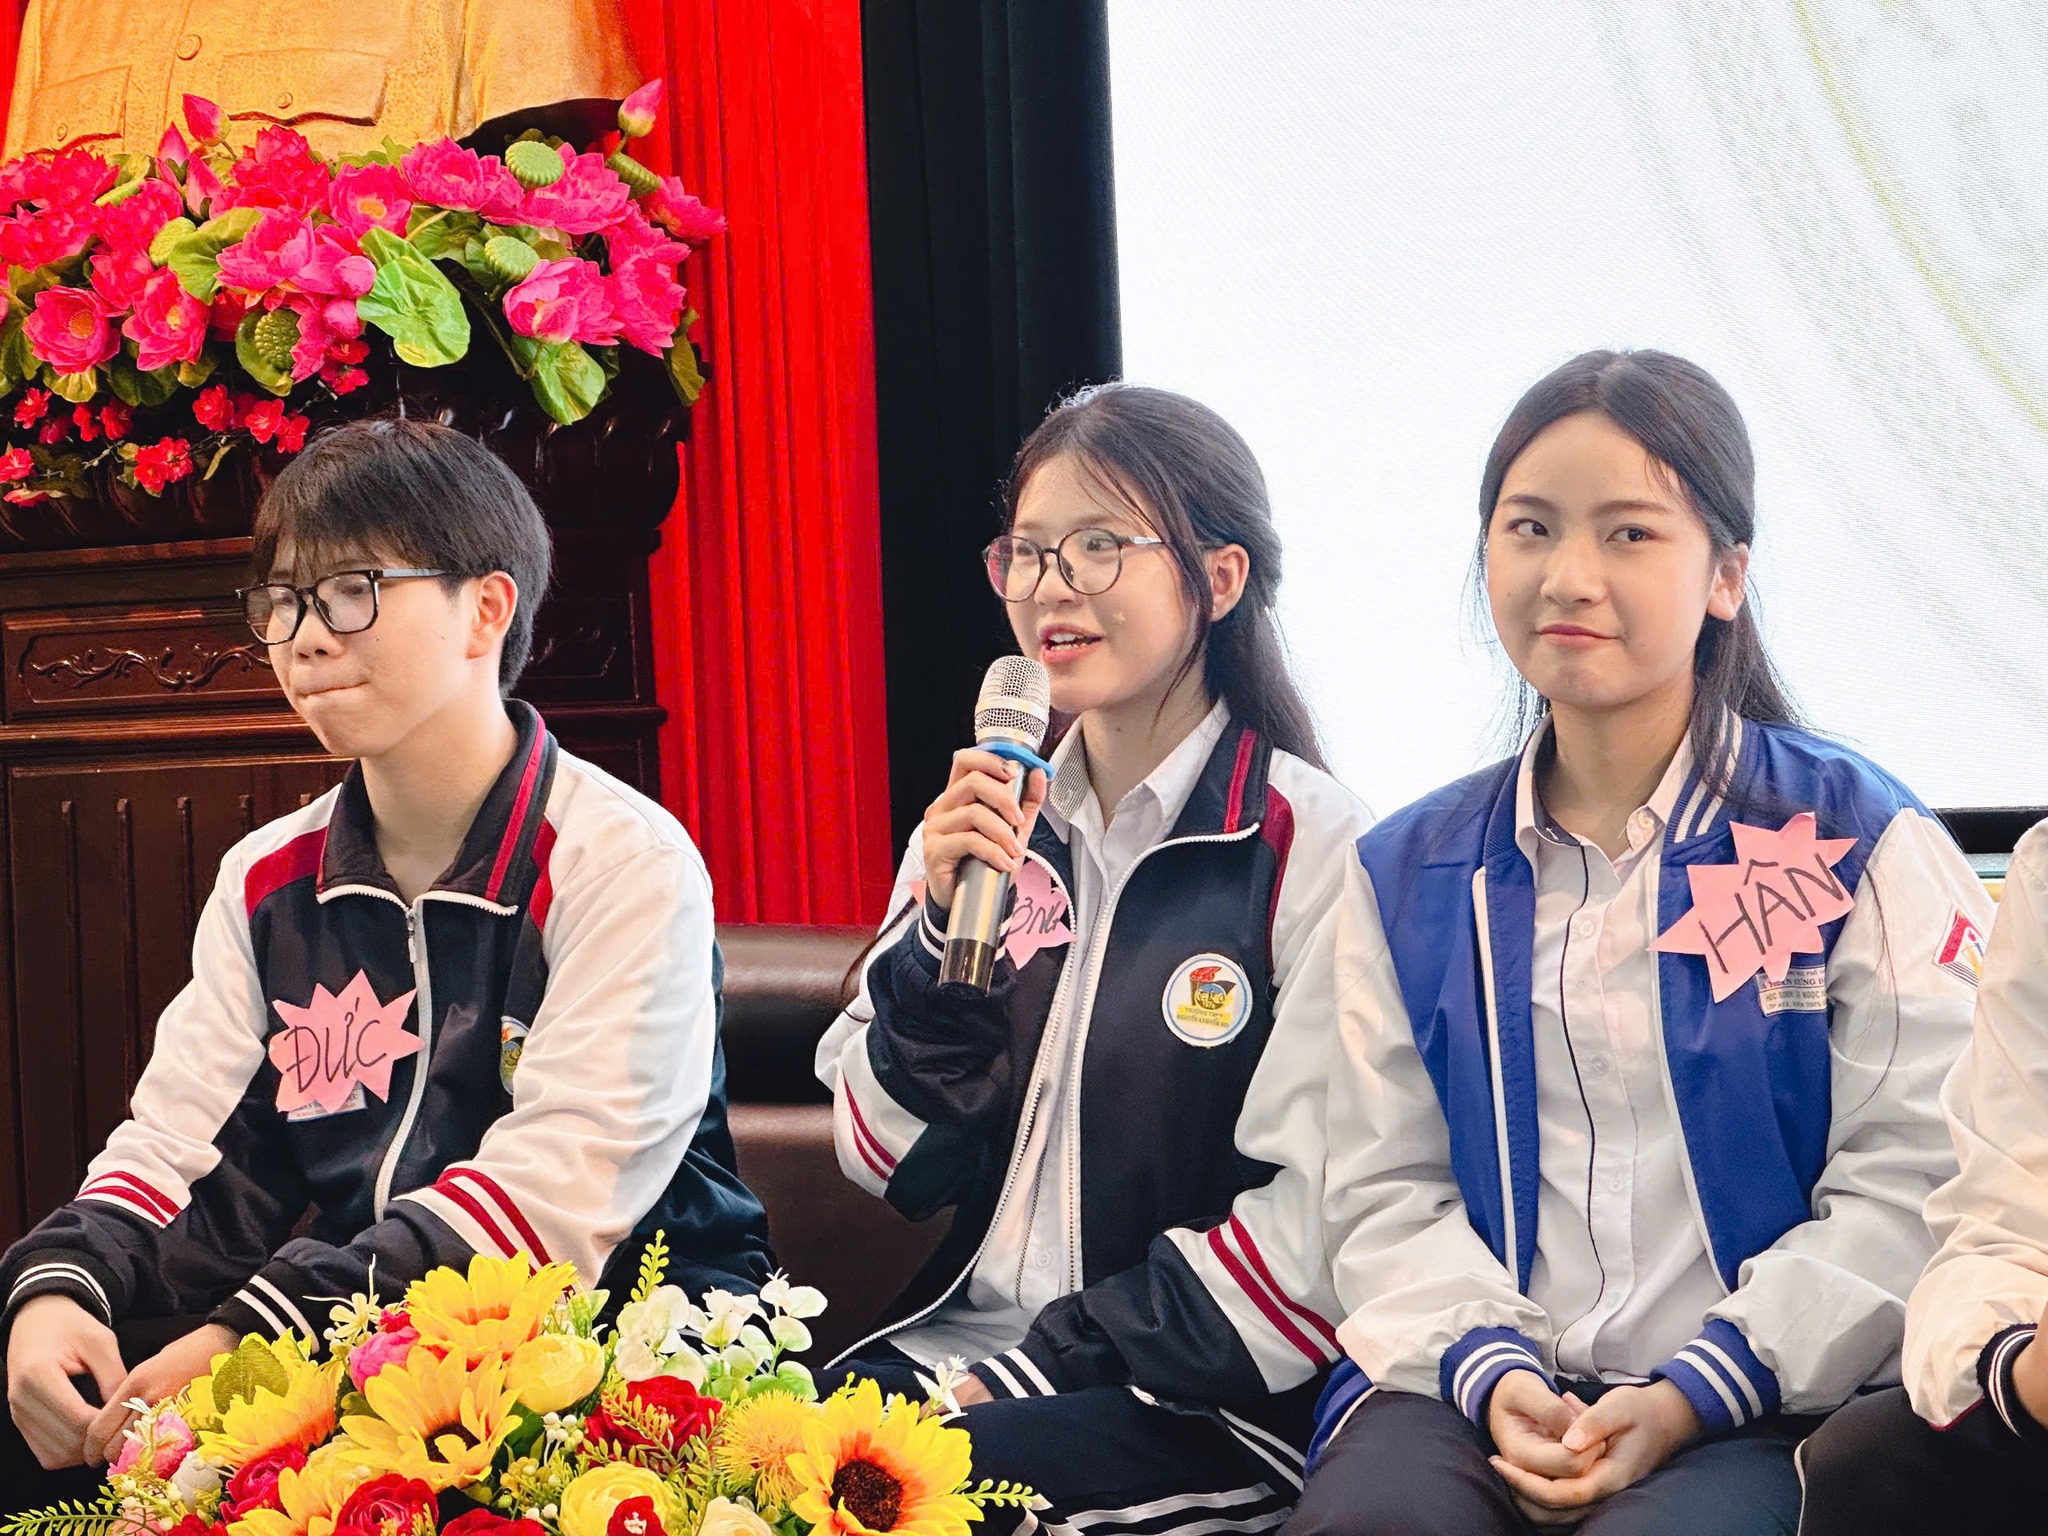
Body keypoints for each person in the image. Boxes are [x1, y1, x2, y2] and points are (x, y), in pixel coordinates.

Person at [0, 418, 771, 1508]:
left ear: (486, 609)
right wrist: (59, 1287)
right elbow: (184, 1149)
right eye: (281, 601)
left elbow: (551, 1200)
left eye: (352, 591)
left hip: (621, 1352)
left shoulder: (619, 861)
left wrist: (254, 1335)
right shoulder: (269, 880)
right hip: (357, 1341)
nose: (304, 640)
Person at [1285, 350, 1988, 1536]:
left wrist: (1692, 1392)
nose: (1568, 576)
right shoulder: (1404, 873)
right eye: (1529, 528)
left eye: (1627, 534)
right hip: (1468, 1389)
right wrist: (1490, 1373)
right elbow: (1374, 1183)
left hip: (1770, 1396)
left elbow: (1918, 1172)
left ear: (1725, 575)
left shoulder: (1853, 838)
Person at [815, 383, 1374, 1535]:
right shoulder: (981, 830)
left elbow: (1321, 1224)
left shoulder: (1308, 845)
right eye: (1026, 553)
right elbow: (885, 1162)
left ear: (1219, 578)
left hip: (1203, 1391)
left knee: (909, 1502)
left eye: (1098, 545)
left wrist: (1046, 1364)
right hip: (958, 1350)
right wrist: (936, 942)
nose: (1049, 585)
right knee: (739, 1472)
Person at [1795, 818, 2048, 1531]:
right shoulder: (2042, 875)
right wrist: (2021, 1370)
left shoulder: (1865, 831)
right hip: (1545, 1378)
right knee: (1864, 1464)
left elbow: (1901, 1180)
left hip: (1744, 1376)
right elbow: (2005, 1219)